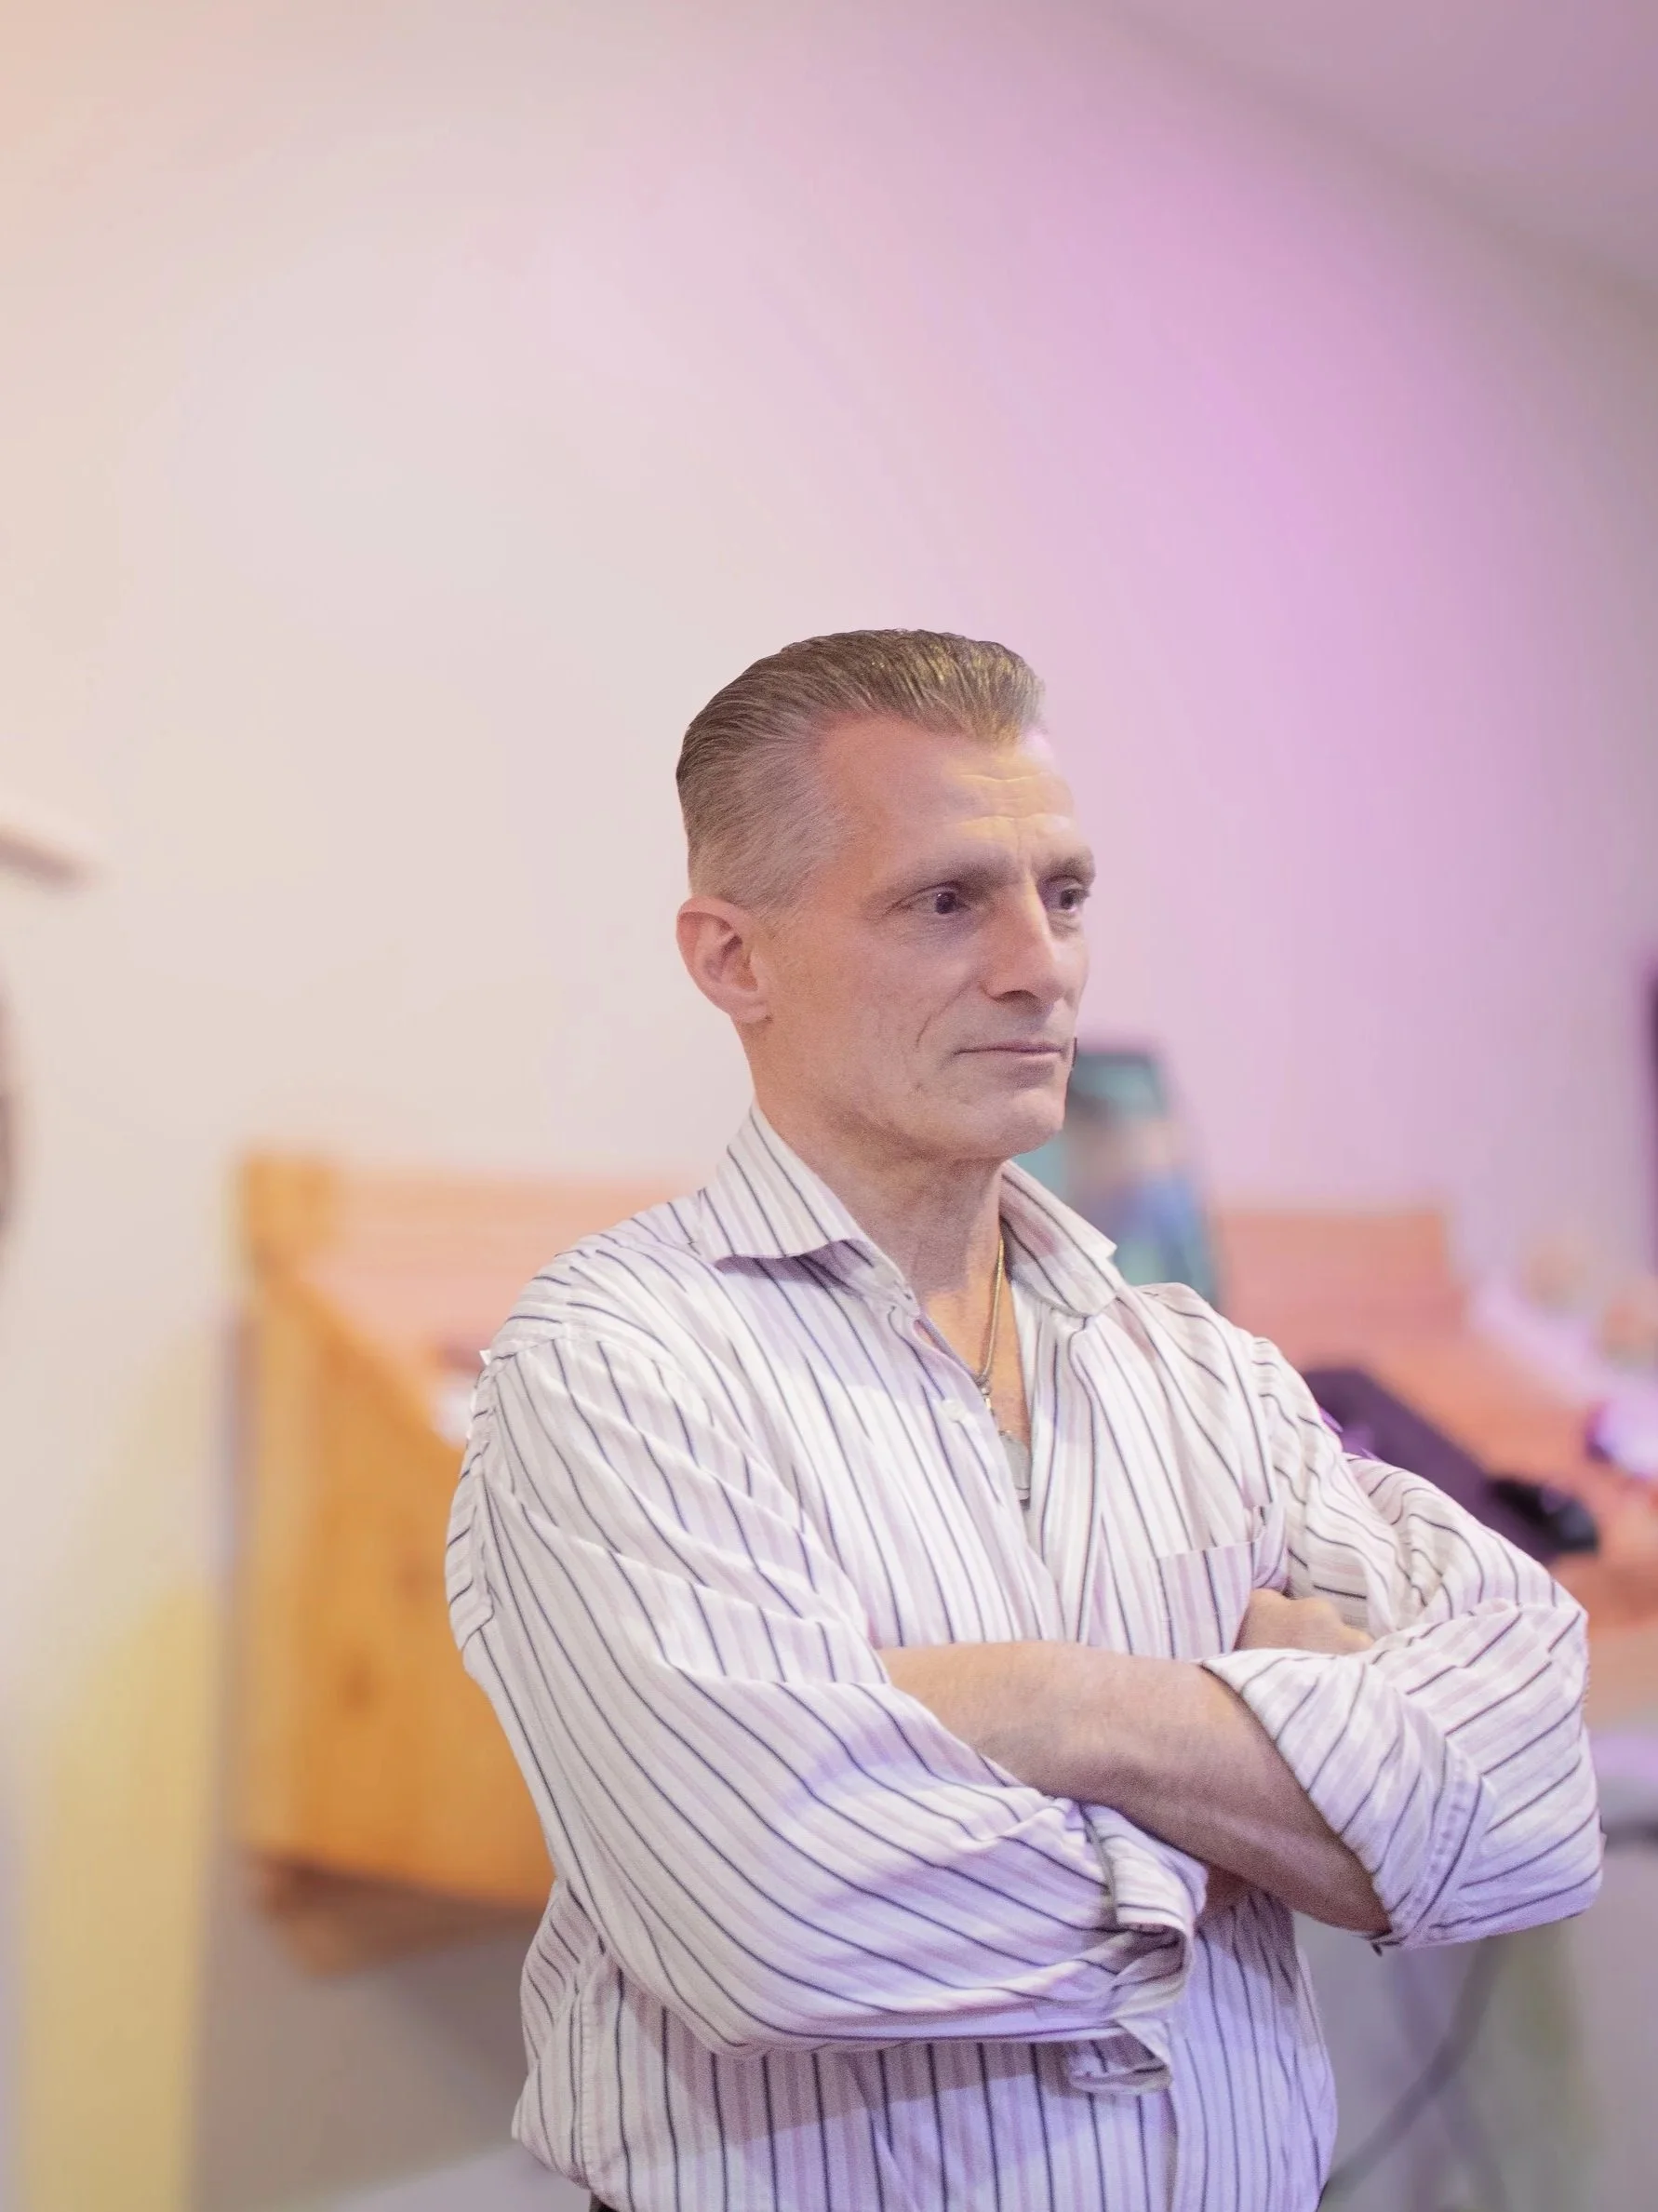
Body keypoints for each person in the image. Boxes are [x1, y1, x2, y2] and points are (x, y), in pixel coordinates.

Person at [447, 630, 1601, 2212]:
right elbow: (779, 1919)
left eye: (1062, 895)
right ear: (732, 959)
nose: (1037, 964)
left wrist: (1058, 1710)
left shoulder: (1202, 1373)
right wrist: (1285, 1802)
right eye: (944, 901)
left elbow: (1526, 1809)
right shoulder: (616, 1370)